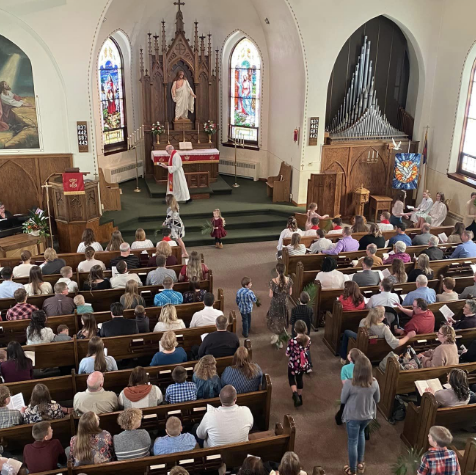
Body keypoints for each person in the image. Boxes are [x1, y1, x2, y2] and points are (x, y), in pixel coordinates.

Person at [341, 356, 380, 475]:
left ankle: (352, 470)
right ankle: (360, 464)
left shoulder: (349, 383)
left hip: (353, 416)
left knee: (352, 441)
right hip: (367, 416)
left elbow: (343, 400)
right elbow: (377, 399)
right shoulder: (374, 382)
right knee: (361, 434)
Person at [339, 307, 416, 361]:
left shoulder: (363, 321)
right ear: (380, 318)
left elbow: (360, 334)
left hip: (362, 343)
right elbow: (395, 343)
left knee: (346, 332)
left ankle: (343, 356)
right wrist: (408, 336)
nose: (384, 317)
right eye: (383, 315)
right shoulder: (384, 328)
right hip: (377, 351)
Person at [267, 262, 293, 347]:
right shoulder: (289, 280)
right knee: (282, 318)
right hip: (284, 303)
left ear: (277, 271)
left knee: (275, 319)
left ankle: (278, 338)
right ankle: (279, 336)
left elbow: (270, 295)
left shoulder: (273, 281)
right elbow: (290, 293)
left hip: (275, 303)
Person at [286, 320, 311, 407]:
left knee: (291, 377)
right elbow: (307, 350)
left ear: (295, 330)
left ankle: (295, 394)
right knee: (300, 379)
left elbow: (287, 354)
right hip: (302, 363)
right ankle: (300, 397)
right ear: (305, 329)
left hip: (293, 363)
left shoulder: (292, 341)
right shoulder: (308, 339)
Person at [164, 193, 189, 258]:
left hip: (175, 226)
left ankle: (185, 252)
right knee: (179, 239)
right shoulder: (176, 205)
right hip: (179, 224)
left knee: (179, 240)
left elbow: (169, 217)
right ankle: (182, 251)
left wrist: (165, 223)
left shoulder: (170, 209)